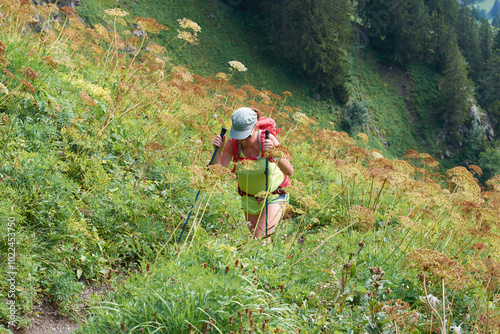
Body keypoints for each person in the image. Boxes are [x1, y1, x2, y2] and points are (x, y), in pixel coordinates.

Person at [212, 107, 293, 238]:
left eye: (246, 136)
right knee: (256, 243)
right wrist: (218, 151)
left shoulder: (268, 139)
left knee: (259, 239)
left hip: (274, 195)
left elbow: (289, 171)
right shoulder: (233, 143)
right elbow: (218, 174)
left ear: (256, 127)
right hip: (249, 198)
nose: (242, 140)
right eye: (239, 136)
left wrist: (275, 154)